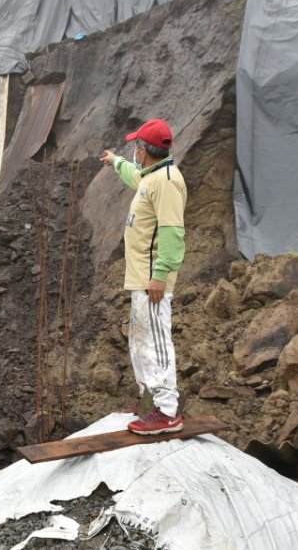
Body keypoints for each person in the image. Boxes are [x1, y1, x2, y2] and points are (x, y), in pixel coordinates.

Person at [99, 118, 187, 435]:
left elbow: (173, 234)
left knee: (156, 341)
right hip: (141, 279)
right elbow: (135, 178)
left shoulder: (167, 182)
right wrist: (115, 162)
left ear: (144, 150)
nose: (134, 150)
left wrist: (160, 275)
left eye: (136, 146)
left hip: (153, 280)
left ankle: (167, 411)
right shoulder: (152, 177)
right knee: (139, 340)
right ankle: (148, 399)